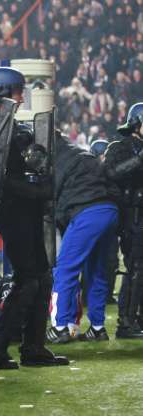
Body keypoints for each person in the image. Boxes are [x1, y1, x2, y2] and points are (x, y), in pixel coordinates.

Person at [0, 66, 68, 369]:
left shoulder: (7, 125)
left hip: (25, 211)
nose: (21, 97)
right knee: (28, 280)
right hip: (11, 211)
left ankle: (33, 347)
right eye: (17, 91)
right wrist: (34, 190)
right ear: (4, 91)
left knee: (42, 278)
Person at [46, 133, 118, 342]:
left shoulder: (56, 159)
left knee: (65, 269)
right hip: (110, 211)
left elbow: (56, 201)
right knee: (97, 271)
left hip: (87, 213)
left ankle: (60, 327)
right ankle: (97, 328)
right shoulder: (82, 154)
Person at [104, 102, 143, 339]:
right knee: (135, 268)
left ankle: (137, 319)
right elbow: (112, 173)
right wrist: (139, 159)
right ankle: (126, 323)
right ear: (137, 122)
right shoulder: (119, 146)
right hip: (132, 217)